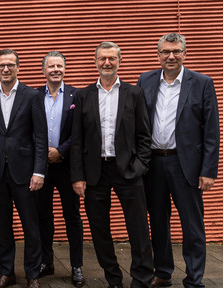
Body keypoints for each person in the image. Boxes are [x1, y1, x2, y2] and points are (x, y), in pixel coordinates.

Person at [137, 33, 219, 288]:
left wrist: (208, 171)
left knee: (192, 225)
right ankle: (163, 272)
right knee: (158, 222)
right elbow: (138, 123)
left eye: (176, 51)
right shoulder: (146, 80)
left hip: (186, 166)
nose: (170, 56)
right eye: (165, 51)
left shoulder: (202, 82)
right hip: (154, 165)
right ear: (158, 54)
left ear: (185, 53)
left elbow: (212, 131)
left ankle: (194, 280)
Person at [70, 41, 153, 288]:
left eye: (112, 58)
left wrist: (140, 167)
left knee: (138, 229)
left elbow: (144, 136)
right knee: (99, 230)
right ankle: (113, 278)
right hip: (95, 174)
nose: (107, 63)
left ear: (119, 61)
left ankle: (142, 279)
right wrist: (78, 176)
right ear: (95, 61)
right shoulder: (84, 95)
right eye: (102, 58)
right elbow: (77, 140)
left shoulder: (135, 93)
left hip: (127, 170)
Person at [0, 49, 48, 288]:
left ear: (18, 67)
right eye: (1, 65)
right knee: (2, 226)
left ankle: (32, 274)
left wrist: (39, 171)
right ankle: (6, 273)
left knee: (31, 226)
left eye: (10, 65)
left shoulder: (32, 96)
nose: (6, 69)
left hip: (25, 173)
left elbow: (41, 137)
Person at [35, 51, 84, 287]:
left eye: (59, 66)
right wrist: (44, 152)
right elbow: (28, 130)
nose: (55, 69)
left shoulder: (78, 95)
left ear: (65, 69)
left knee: (72, 216)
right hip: (41, 167)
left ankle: (76, 266)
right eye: (51, 66)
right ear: (43, 70)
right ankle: (46, 261)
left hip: (67, 167)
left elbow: (80, 132)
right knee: (43, 216)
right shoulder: (33, 96)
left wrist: (60, 151)